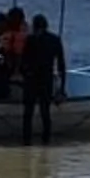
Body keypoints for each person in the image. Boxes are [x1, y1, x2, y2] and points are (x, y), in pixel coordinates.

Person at [19, 11, 67, 144]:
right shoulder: (55, 40)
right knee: (45, 113)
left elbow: (23, 62)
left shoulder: (30, 39)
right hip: (46, 80)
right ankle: (46, 143)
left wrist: (24, 76)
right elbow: (62, 65)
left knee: (28, 114)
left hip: (32, 79)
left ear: (34, 26)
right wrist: (62, 88)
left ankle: (26, 143)